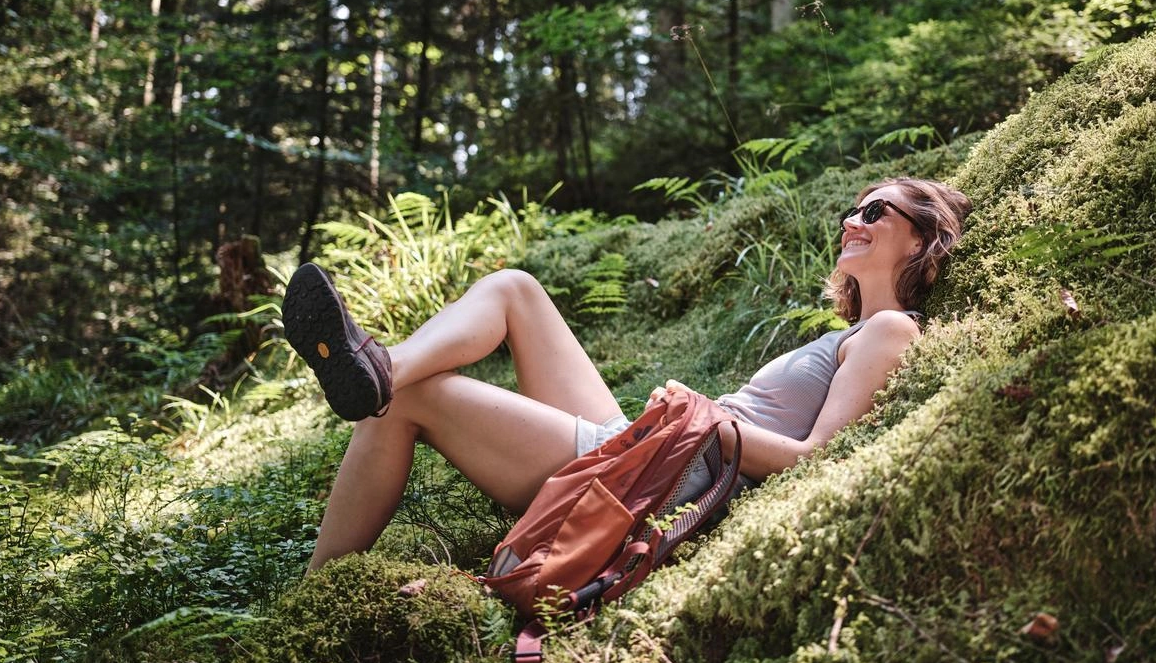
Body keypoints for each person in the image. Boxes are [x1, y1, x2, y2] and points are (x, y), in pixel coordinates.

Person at [284, 176, 971, 573]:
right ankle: (377, 367)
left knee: (409, 401)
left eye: (875, 210)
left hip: (662, 472)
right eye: (852, 209)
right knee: (514, 288)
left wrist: (700, 413)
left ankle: (317, 590)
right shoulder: (851, 333)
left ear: (919, 237)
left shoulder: (889, 328)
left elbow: (812, 460)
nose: (854, 219)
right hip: (649, 446)